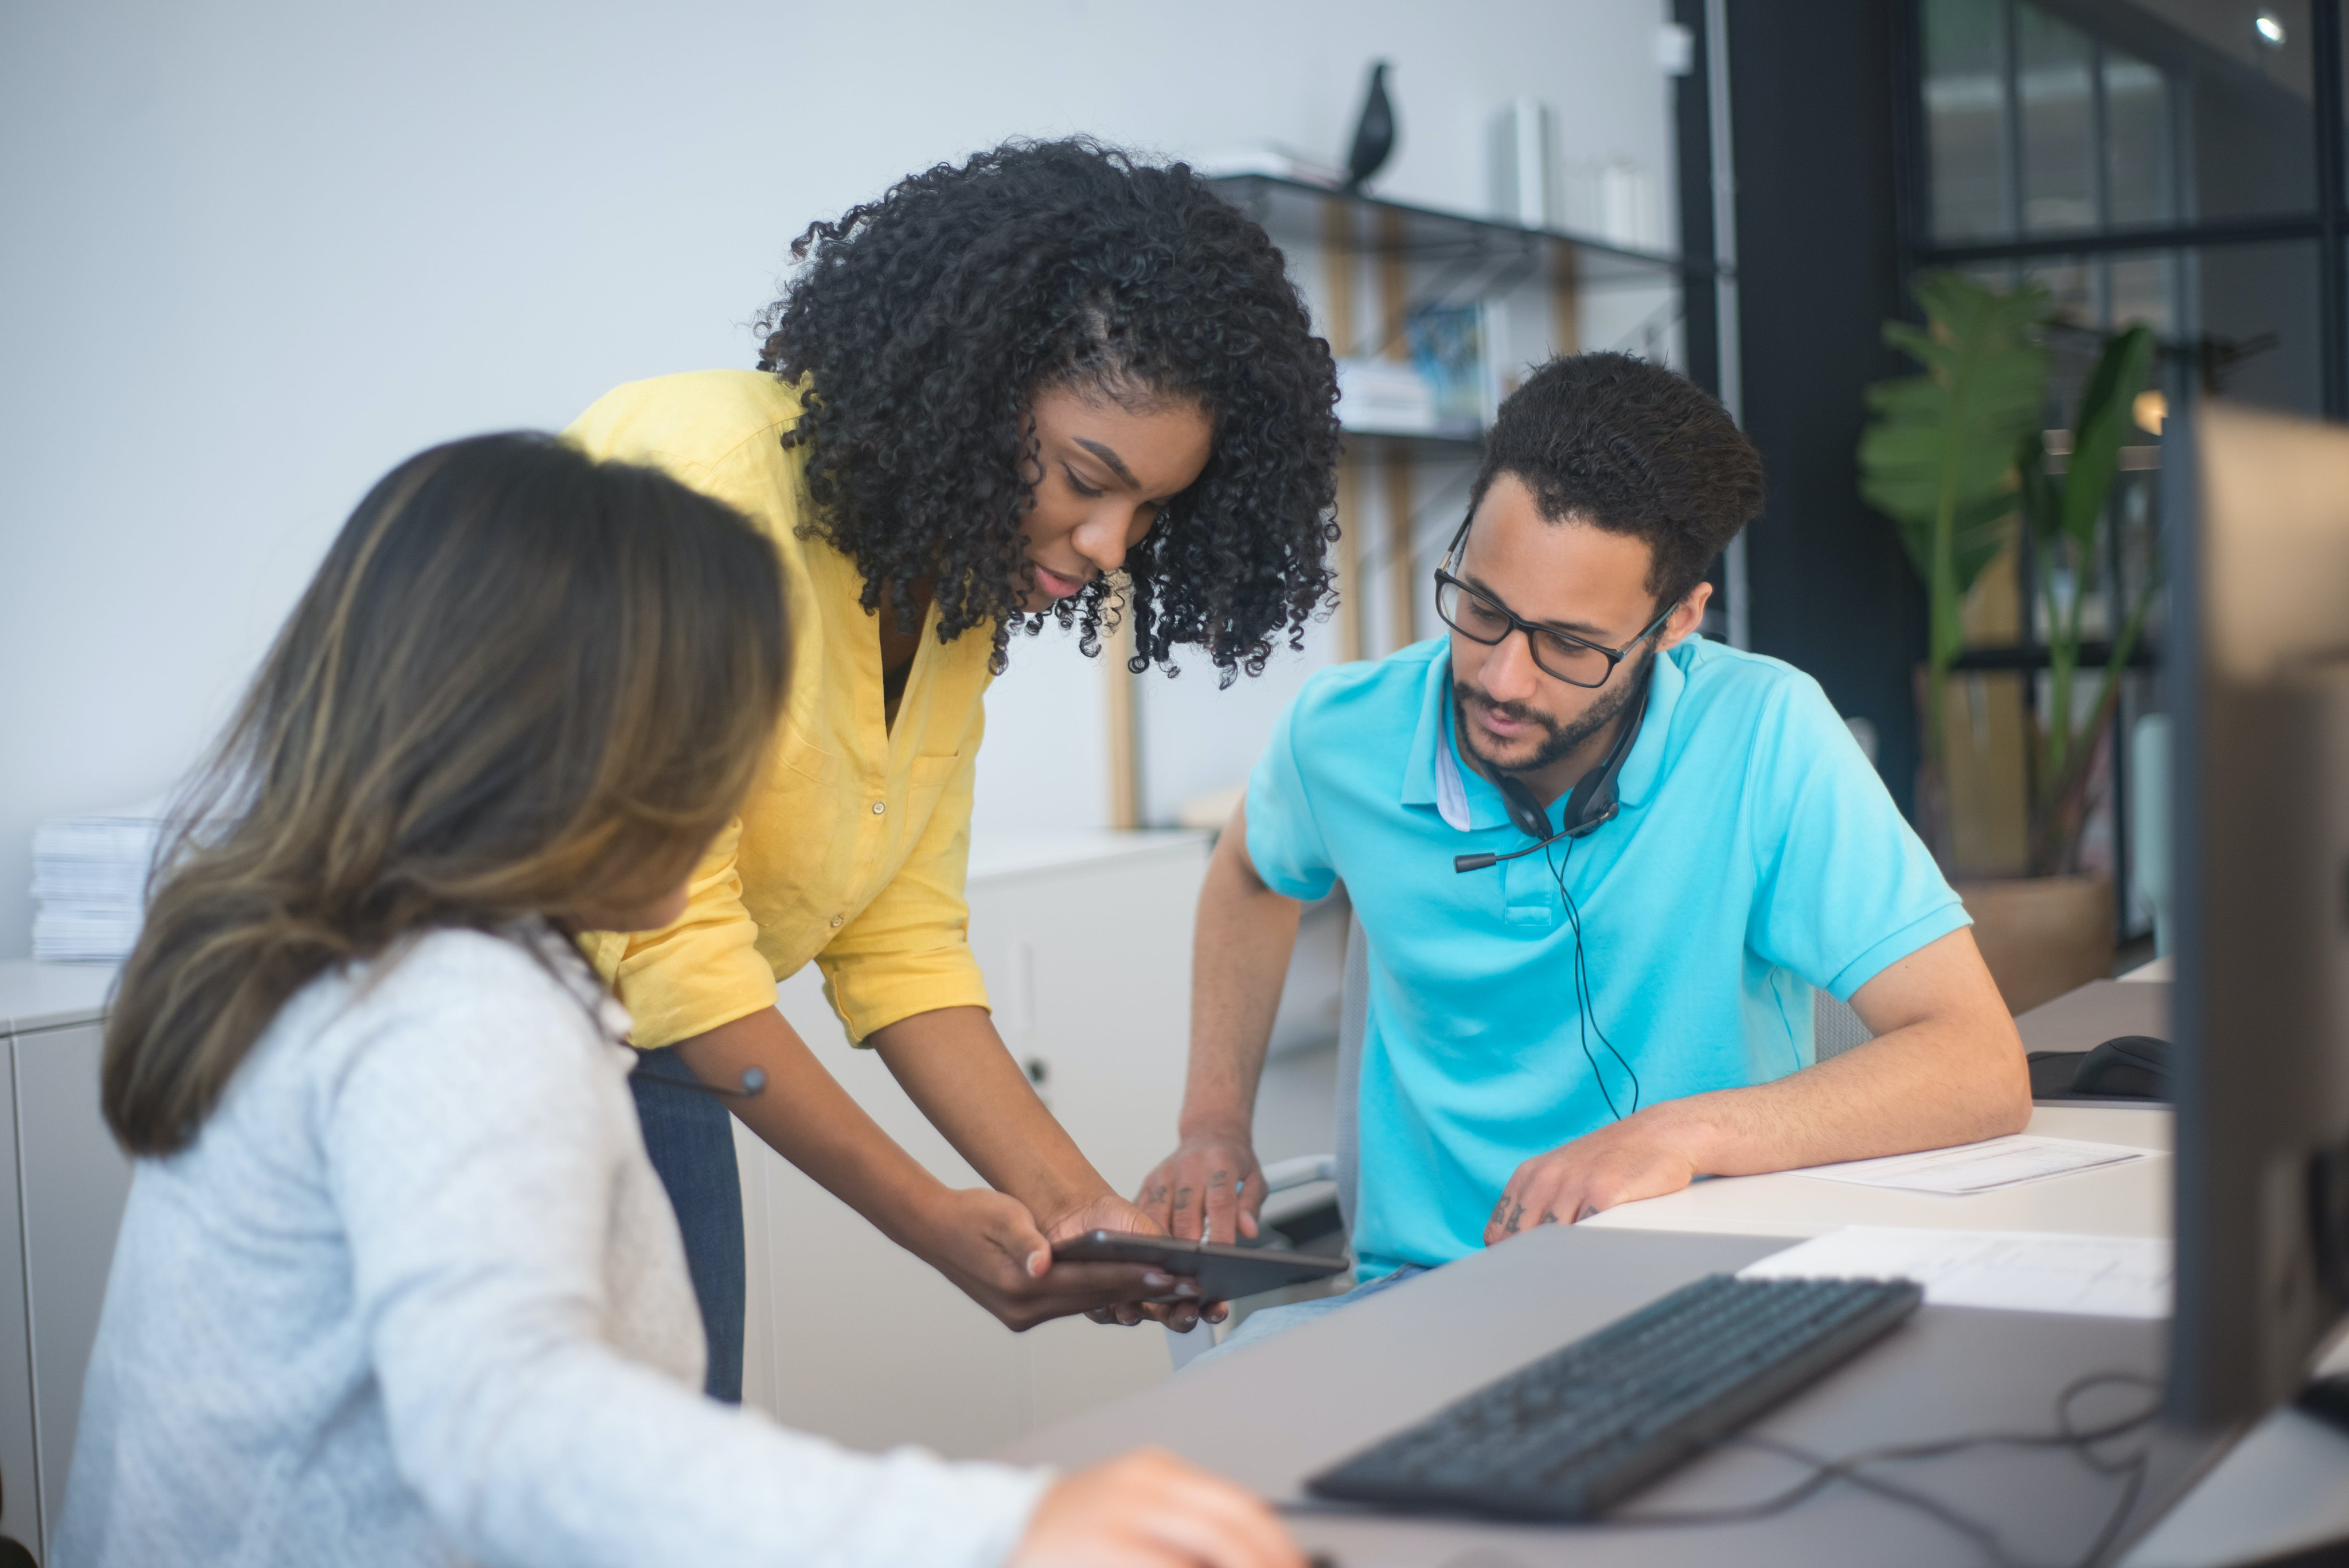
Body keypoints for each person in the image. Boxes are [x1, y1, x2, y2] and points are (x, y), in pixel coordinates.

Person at [60, 433, 1302, 1568]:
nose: (744, 797)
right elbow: (516, 1422)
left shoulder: (363, 966)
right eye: (728, 736)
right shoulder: (458, 1018)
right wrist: (996, 1525)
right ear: (570, 739)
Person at [564, 138, 1341, 1395]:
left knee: (666, 1452)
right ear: (972, 386)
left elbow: (900, 942)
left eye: (1146, 514)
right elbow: (668, 943)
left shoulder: (951, 595)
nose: (1104, 545)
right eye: (1087, 478)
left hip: (656, 1047)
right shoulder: (700, 480)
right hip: (488, 1043)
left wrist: (1084, 1210)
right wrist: (931, 1216)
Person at [1137, 352, 2033, 1352]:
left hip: (1713, 1299)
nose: (1503, 678)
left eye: (1569, 644)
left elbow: (1978, 1063)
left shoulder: (1767, 732)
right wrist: (1211, 1121)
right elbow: (1251, 870)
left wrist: (1680, 1134)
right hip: (1427, 1305)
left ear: (1676, 622)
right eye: (1481, 608)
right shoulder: (1341, 733)